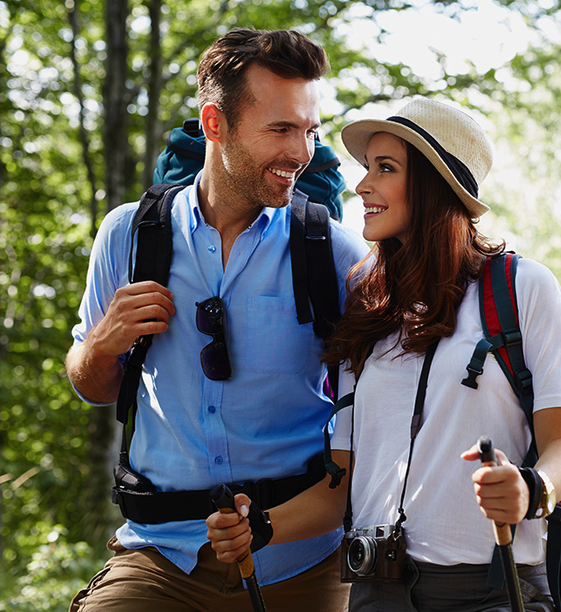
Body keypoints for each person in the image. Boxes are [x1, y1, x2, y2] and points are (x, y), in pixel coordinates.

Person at [206, 97, 561, 611]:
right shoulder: (364, 308)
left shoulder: (523, 288)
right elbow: (341, 489)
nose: (362, 186)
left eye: (386, 169)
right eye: (367, 168)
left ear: (435, 185)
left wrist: (530, 490)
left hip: (493, 592)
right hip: (375, 593)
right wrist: (261, 527)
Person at [66, 28, 368, 611]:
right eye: (280, 129)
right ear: (214, 124)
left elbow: (377, 417)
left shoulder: (333, 252)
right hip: (162, 557)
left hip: (302, 559)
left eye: (309, 131)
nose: (301, 153)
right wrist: (103, 346)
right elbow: (92, 386)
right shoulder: (128, 236)